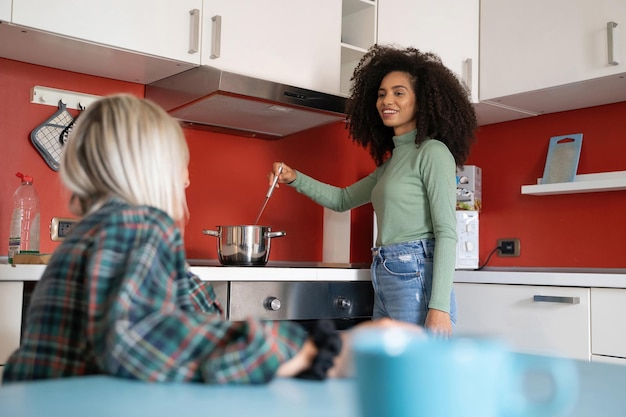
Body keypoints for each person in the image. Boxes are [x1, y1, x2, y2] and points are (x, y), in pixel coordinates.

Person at [2, 94, 420, 385]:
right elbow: (140, 340)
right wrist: (323, 351)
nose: (186, 178)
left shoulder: (102, 237)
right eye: (181, 166)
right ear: (150, 170)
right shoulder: (131, 227)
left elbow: (184, 314)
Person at [268, 45, 477, 337]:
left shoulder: (433, 152)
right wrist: (293, 177)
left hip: (415, 276)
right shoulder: (392, 164)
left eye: (398, 92)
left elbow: (446, 231)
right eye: (381, 94)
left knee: (410, 375)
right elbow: (342, 200)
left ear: (423, 101)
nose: (386, 100)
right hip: (385, 273)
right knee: (387, 372)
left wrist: (439, 307)